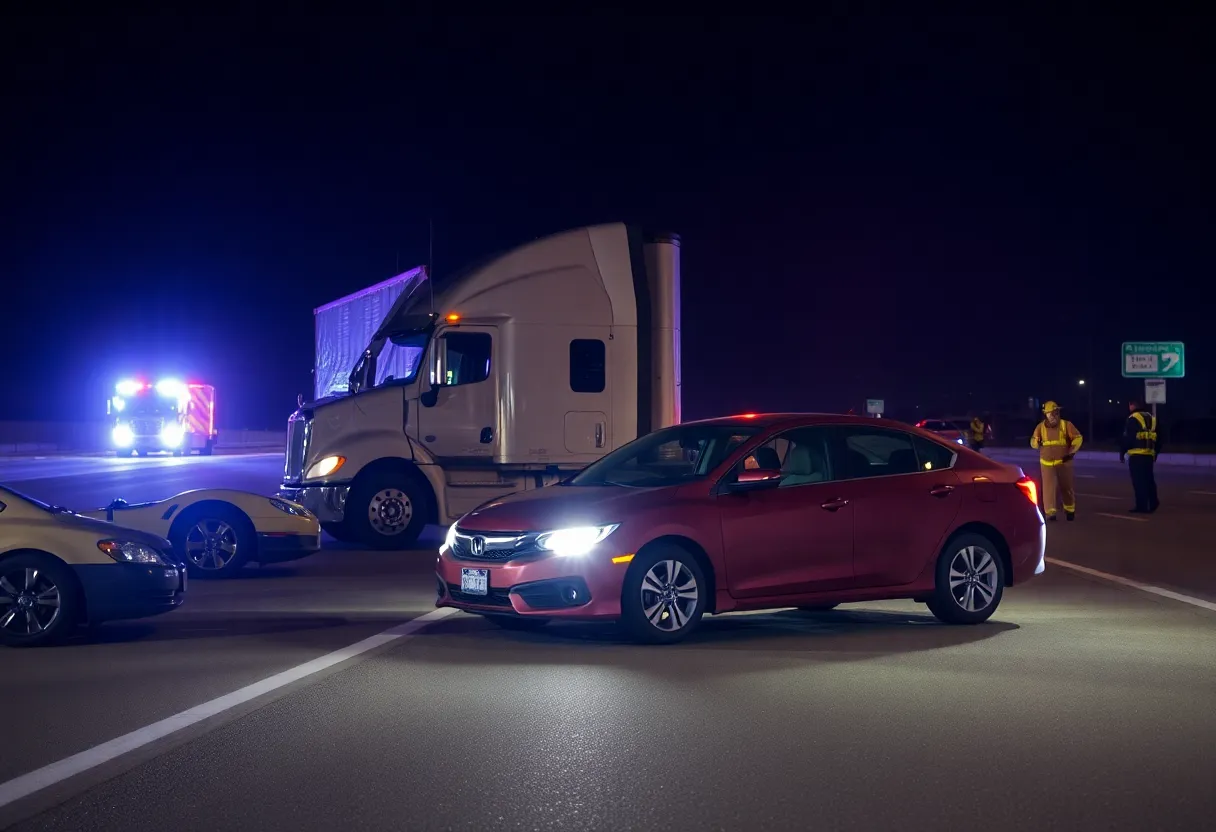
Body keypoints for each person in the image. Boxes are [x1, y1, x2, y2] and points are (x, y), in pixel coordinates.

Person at [1030, 400, 1083, 521]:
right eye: (1049, 414)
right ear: (1046, 415)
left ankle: (1070, 510)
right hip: (1046, 463)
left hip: (1064, 462)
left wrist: (1071, 452)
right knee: (1048, 489)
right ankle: (1050, 513)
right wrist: (1036, 443)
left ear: (1058, 413)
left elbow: (1078, 438)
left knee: (1066, 487)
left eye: (1054, 413)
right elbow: (1033, 441)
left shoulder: (1066, 425)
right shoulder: (1040, 427)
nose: (1052, 416)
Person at [1120, 399, 1160, 513]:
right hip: (1149, 454)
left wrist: (1122, 453)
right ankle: (1153, 502)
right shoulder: (1152, 418)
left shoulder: (1132, 418)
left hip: (1136, 454)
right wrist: (1155, 452)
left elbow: (1127, 437)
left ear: (1132, 405)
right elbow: (1160, 437)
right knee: (1149, 479)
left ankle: (1141, 506)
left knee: (1138, 481)